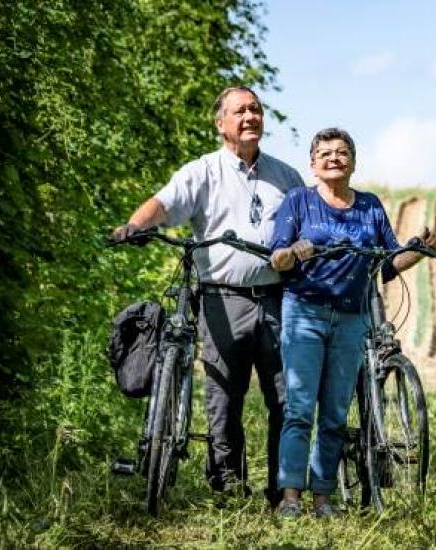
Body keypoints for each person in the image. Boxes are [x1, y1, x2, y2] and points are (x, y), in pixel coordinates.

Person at [111, 86, 304, 507]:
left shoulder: (287, 177)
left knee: (286, 399)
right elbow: (164, 203)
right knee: (223, 397)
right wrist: (135, 224)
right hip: (222, 299)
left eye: (255, 109)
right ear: (221, 124)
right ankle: (229, 490)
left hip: (277, 298)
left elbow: (308, 229)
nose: (250, 116)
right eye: (240, 111)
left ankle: (283, 493)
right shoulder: (202, 171)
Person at [268, 128, 436, 518]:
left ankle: (323, 497)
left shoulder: (370, 206)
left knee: (333, 412)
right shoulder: (299, 202)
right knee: (299, 408)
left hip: (352, 318)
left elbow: (388, 262)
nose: (334, 158)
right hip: (305, 313)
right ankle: (290, 498)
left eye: (342, 152)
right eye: (325, 153)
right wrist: (294, 251)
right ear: (312, 164)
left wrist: (419, 250)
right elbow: (275, 259)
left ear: (353, 162)